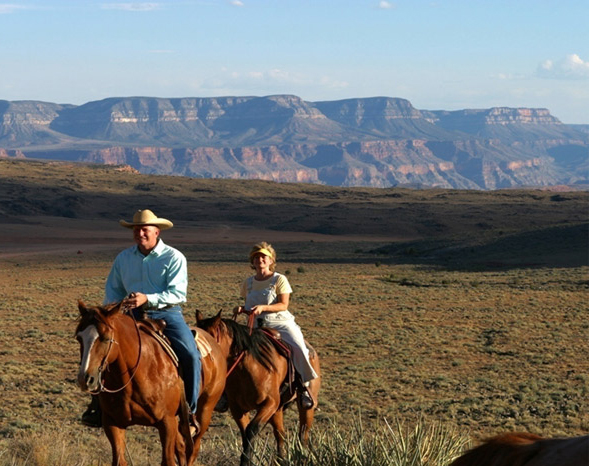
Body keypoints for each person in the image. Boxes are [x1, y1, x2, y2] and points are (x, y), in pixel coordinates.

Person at [81, 209, 201, 434]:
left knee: (191, 354)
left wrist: (148, 298)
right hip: (128, 316)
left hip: (166, 314)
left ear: (157, 231)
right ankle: (98, 407)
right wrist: (112, 311)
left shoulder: (174, 257)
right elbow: (113, 291)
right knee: (103, 350)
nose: (140, 234)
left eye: (144, 229)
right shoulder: (123, 258)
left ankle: (190, 412)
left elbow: (178, 293)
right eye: (136, 230)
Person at [233, 241, 318, 409]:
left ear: (271, 260)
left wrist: (264, 308)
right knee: (232, 350)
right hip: (255, 325)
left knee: (299, 347)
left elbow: (283, 305)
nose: (260, 259)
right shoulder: (247, 283)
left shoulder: (279, 279)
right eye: (256, 257)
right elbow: (248, 304)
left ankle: (304, 388)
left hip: (279, 323)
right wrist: (242, 309)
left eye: (264, 256)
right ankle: (226, 393)